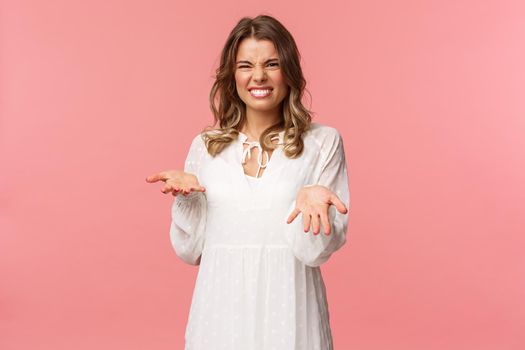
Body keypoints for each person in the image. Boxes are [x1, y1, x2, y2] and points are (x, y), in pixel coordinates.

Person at [146, 14, 350, 350]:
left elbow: (313, 253)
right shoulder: (206, 146)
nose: (259, 76)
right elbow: (190, 251)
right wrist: (186, 199)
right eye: (246, 65)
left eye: (272, 63)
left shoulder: (322, 142)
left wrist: (316, 207)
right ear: (232, 75)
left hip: (291, 311)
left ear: (289, 71)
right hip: (220, 314)